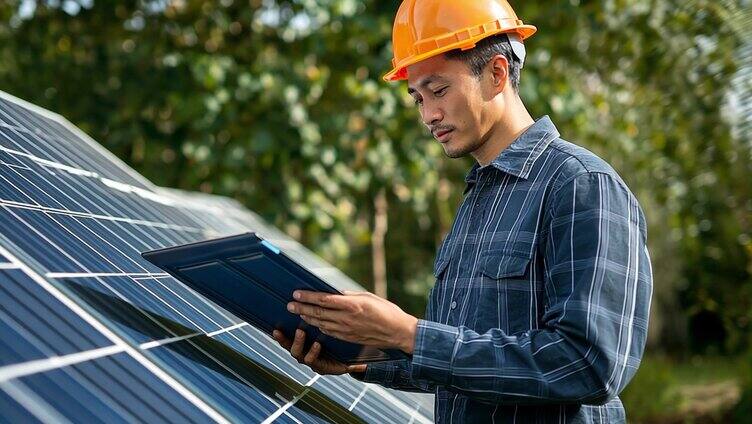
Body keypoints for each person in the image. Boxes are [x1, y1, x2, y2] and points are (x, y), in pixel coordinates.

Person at [273, 0, 653, 422]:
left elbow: (588, 365)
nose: (428, 115)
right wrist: (361, 358)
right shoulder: (479, 198)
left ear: (496, 74)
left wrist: (410, 333)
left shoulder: (581, 185)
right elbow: (468, 361)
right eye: (417, 98)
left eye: (439, 91)